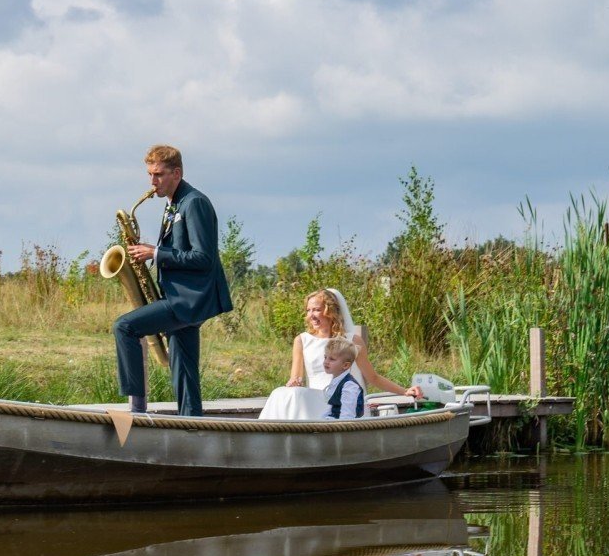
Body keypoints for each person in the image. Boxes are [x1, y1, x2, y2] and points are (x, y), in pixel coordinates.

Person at [113, 145, 233, 417]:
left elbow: (204, 257)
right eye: (149, 175)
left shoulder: (194, 203)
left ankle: (136, 407)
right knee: (184, 366)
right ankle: (192, 423)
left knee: (125, 327)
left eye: (158, 175)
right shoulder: (174, 204)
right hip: (180, 297)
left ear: (176, 173)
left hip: (190, 299)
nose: (152, 182)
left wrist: (155, 253)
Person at [258, 288, 420, 421]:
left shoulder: (351, 341)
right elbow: (296, 378)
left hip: (337, 401)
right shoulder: (301, 340)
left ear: (330, 311)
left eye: (316, 310)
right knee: (281, 392)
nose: (311, 315)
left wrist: (404, 391)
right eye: (308, 310)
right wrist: (294, 382)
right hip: (313, 400)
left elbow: (373, 377)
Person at [320, 337, 365, 420]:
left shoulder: (349, 385)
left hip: (346, 428)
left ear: (345, 365)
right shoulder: (336, 382)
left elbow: (347, 416)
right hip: (333, 423)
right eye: (325, 357)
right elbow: (330, 409)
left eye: (332, 359)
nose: (326, 361)